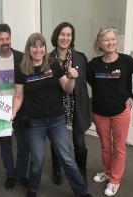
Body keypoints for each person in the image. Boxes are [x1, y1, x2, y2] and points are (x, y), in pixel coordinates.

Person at [12, 33, 92, 197]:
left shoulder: (53, 64)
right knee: (37, 160)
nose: (38, 49)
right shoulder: (22, 69)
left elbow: (67, 88)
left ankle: (82, 191)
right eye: (34, 46)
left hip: (56, 120)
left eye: (41, 45)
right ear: (29, 48)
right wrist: (12, 113)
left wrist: (71, 78)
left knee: (67, 158)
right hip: (34, 122)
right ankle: (33, 189)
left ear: (45, 48)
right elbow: (18, 95)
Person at [87, 27, 133, 196]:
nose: (111, 42)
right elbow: (91, 82)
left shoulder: (126, 61)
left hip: (120, 112)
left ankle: (115, 180)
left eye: (113, 39)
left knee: (118, 147)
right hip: (99, 113)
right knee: (105, 146)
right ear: (100, 43)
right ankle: (107, 171)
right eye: (106, 40)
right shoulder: (94, 64)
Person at [0, 23, 30, 189]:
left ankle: (22, 173)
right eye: (1, 39)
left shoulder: (22, 57)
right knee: (5, 146)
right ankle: (10, 174)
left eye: (7, 38)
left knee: (24, 146)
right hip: (0, 111)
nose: (5, 42)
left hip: (21, 109)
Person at [49, 22, 91, 185]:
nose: (65, 38)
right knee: (57, 142)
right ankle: (56, 168)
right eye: (62, 34)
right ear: (56, 36)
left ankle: (82, 172)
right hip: (56, 106)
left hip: (77, 106)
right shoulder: (48, 58)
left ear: (72, 38)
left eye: (69, 35)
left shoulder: (80, 57)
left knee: (79, 143)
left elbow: (90, 79)